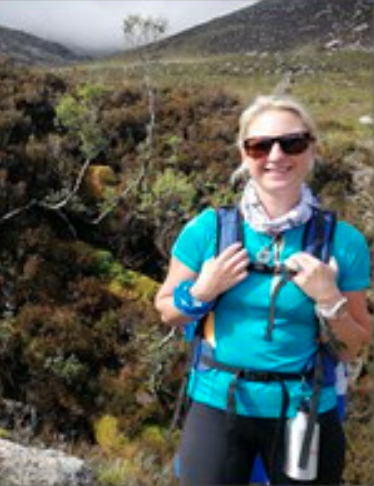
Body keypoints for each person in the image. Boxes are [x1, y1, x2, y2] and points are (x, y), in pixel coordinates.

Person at [155, 94, 371, 485]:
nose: (276, 155)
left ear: (310, 150)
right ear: (244, 152)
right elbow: (168, 310)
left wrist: (330, 300)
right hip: (217, 403)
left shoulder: (343, 242)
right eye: (260, 145)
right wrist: (202, 292)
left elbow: (356, 343)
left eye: (292, 143)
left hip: (305, 410)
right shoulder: (208, 230)